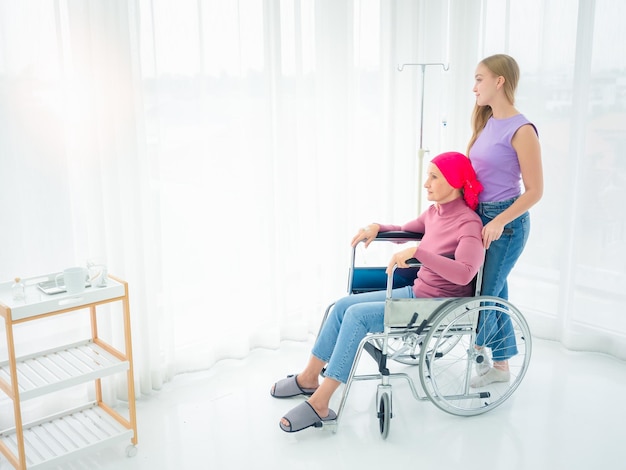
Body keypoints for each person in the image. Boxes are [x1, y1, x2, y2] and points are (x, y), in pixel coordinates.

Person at [270, 151, 485, 433]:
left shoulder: (468, 224)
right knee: (343, 306)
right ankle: (309, 377)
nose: (426, 184)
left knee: (357, 317)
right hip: (417, 293)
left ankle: (321, 402)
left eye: (433, 176)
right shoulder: (435, 213)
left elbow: (466, 272)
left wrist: (420, 253)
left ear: (454, 181)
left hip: (437, 305)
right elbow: (406, 231)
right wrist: (377, 228)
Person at [467, 54, 543, 387]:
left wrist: (499, 222)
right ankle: (500, 367)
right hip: (481, 216)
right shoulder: (486, 121)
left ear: (499, 81)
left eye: (480, 79)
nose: (474, 87)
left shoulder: (522, 129)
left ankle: (481, 351)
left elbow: (536, 190)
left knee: (486, 293)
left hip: (507, 223)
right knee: (496, 293)